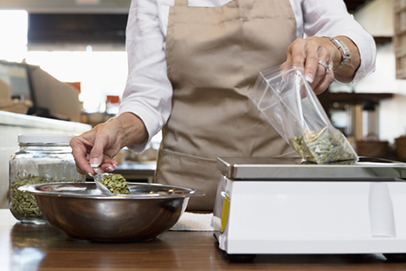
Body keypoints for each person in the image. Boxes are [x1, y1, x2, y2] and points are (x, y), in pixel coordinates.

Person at [70, 0, 376, 211]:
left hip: (285, 187)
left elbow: (359, 43)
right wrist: (116, 131)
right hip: (191, 199)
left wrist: (332, 48)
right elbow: (149, 97)